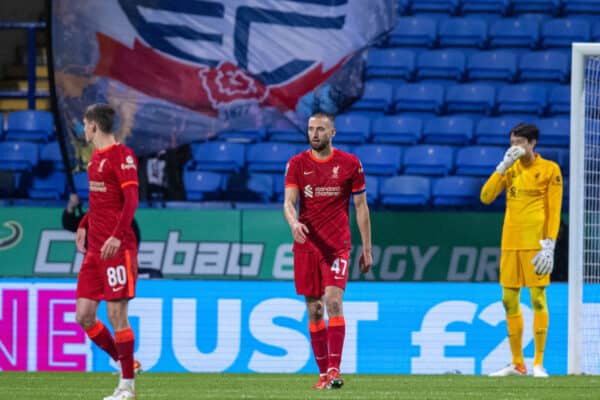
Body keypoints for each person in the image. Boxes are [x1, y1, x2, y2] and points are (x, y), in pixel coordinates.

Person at [283, 112, 373, 389]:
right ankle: (323, 374)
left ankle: (335, 369)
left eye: (321, 129)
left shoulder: (350, 164)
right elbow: (288, 202)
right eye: (311, 129)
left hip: (337, 247)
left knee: (333, 301)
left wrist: (367, 249)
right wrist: (293, 222)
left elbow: (361, 207)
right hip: (307, 245)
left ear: (332, 133)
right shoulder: (297, 163)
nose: (315, 134)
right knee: (314, 309)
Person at [480, 123, 563, 378]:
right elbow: (485, 196)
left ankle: (538, 363)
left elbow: (554, 209)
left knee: (538, 299)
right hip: (510, 243)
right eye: (512, 143)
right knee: (508, 301)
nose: (514, 148)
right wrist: (501, 168)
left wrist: (549, 244)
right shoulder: (510, 168)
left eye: (519, 143)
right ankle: (518, 364)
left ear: (532, 143)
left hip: (536, 246)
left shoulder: (550, 169)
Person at [74, 103, 140, 400]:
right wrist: (84, 223)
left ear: (94, 126)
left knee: (117, 316)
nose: (83, 130)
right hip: (94, 251)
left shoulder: (121, 156)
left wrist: (116, 236)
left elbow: (131, 201)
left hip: (117, 249)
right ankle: (127, 362)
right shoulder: (94, 160)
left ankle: (126, 386)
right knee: (84, 316)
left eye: (84, 125)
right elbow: (100, 201)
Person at [63, 193, 141, 247]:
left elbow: (134, 243)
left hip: (117, 265)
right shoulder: (93, 217)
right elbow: (69, 224)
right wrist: (71, 206)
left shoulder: (127, 221)